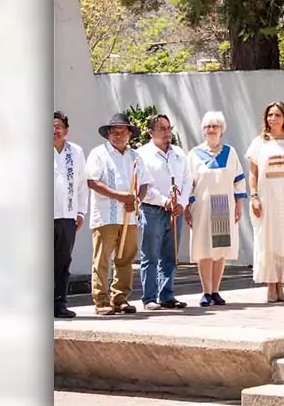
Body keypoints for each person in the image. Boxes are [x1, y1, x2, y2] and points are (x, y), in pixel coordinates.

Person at [85, 112, 154, 316]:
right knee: (102, 259)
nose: (117, 135)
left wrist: (136, 200)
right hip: (106, 216)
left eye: (121, 131)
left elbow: (144, 184)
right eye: (113, 132)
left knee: (126, 258)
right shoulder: (99, 153)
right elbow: (92, 181)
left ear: (129, 134)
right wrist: (118, 196)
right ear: (108, 134)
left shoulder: (135, 157)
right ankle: (101, 300)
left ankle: (120, 298)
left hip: (129, 217)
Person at [246, 101, 284, 303]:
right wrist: (254, 196)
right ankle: (270, 285)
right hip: (267, 196)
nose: (273, 119)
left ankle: (281, 283)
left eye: (277, 115)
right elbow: (253, 172)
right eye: (270, 115)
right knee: (269, 238)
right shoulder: (259, 143)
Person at [185, 111, 246, 307]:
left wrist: (238, 205)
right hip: (202, 207)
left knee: (219, 250)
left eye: (215, 126)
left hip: (222, 206)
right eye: (208, 127)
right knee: (204, 249)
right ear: (203, 130)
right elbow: (188, 183)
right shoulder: (194, 154)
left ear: (222, 129)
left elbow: (238, 180)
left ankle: (216, 290)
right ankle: (205, 291)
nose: (211, 130)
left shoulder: (230, 152)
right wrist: (187, 207)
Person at [137, 113, 191, 311]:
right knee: (150, 254)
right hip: (152, 209)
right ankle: (149, 297)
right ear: (151, 132)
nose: (167, 132)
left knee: (170, 254)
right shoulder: (142, 154)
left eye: (169, 128)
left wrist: (182, 203)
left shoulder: (179, 153)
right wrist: (163, 200)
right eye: (162, 128)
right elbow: (142, 185)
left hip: (175, 211)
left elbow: (187, 180)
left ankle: (167, 294)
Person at [53, 111, 88, 319]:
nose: (54, 130)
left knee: (63, 262)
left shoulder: (75, 152)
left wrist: (81, 211)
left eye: (58, 126)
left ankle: (60, 304)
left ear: (66, 130)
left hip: (67, 215)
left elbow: (82, 185)